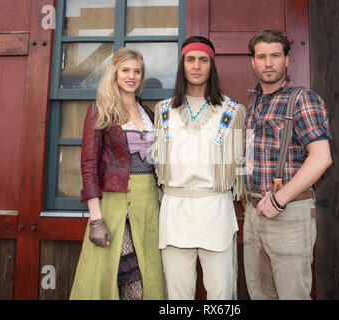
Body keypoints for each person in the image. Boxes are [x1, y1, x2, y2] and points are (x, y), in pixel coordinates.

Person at [152, 36, 246, 300]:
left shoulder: (233, 111)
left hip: (216, 210)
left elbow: (240, 168)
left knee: (221, 292)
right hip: (175, 210)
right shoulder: (163, 111)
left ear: (211, 65)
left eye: (203, 60)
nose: (196, 66)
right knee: (178, 295)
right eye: (190, 60)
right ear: (182, 65)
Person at [243, 29, 332, 300]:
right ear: (253, 62)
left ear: (287, 61)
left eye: (275, 55)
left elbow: (322, 157)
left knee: (293, 295)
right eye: (261, 56)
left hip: (289, 213)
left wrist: (280, 199)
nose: (268, 62)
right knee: (260, 294)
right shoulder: (254, 105)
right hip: (254, 212)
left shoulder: (302, 99)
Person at [70, 47, 165, 300]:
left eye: (137, 71)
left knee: (147, 274)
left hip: (148, 205)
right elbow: (88, 166)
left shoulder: (149, 114)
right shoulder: (100, 110)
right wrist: (96, 220)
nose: (131, 76)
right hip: (113, 205)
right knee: (126, 273)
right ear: (114, 73)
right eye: (125, 70)